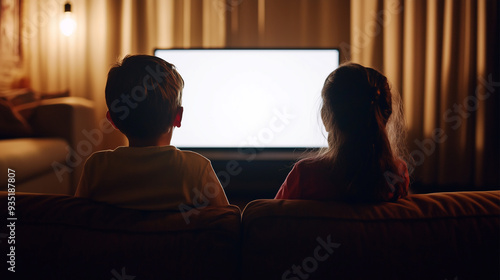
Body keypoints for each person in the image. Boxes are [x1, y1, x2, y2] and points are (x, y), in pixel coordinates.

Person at [75, 55, 229, 209]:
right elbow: (226, 223)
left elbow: (74, 224)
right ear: (178, 117)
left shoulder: (96, 168)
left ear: (112, 121)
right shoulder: (198, 169)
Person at [275, 63, 410, 202]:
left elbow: (268, 220)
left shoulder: (305, 174)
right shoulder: (398, 173)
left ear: (325, 117)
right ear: (384, 119)